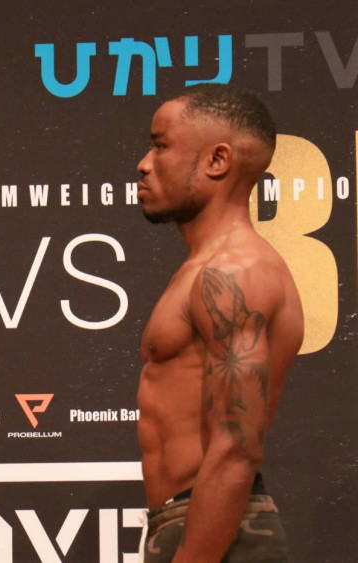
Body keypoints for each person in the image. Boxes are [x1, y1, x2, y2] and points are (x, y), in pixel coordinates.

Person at [135, 83, 303, 562]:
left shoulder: (233, 273)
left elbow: (236, 447)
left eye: (161, 145)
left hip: (219, 533)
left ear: (217, 160)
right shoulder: (207, 268)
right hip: (198, 526)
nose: (144, 164)